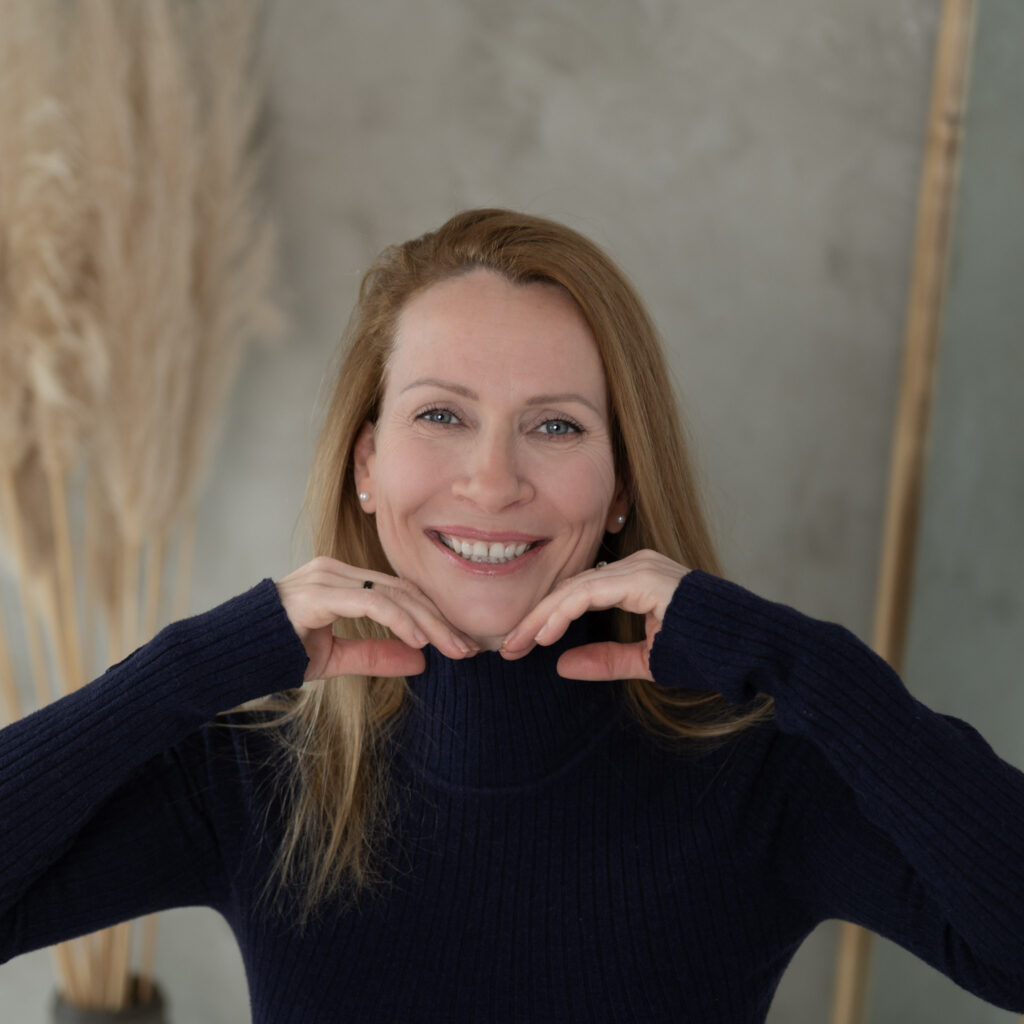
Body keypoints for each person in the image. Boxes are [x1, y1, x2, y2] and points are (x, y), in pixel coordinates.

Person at [1, 208, 1022, 1022]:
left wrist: (794, 661)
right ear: (367, 464)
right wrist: (193, 668)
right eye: (441, 414)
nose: (492, 482)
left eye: (556, 426)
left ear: (620, 488)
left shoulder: (761, 775)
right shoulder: (261, 774)